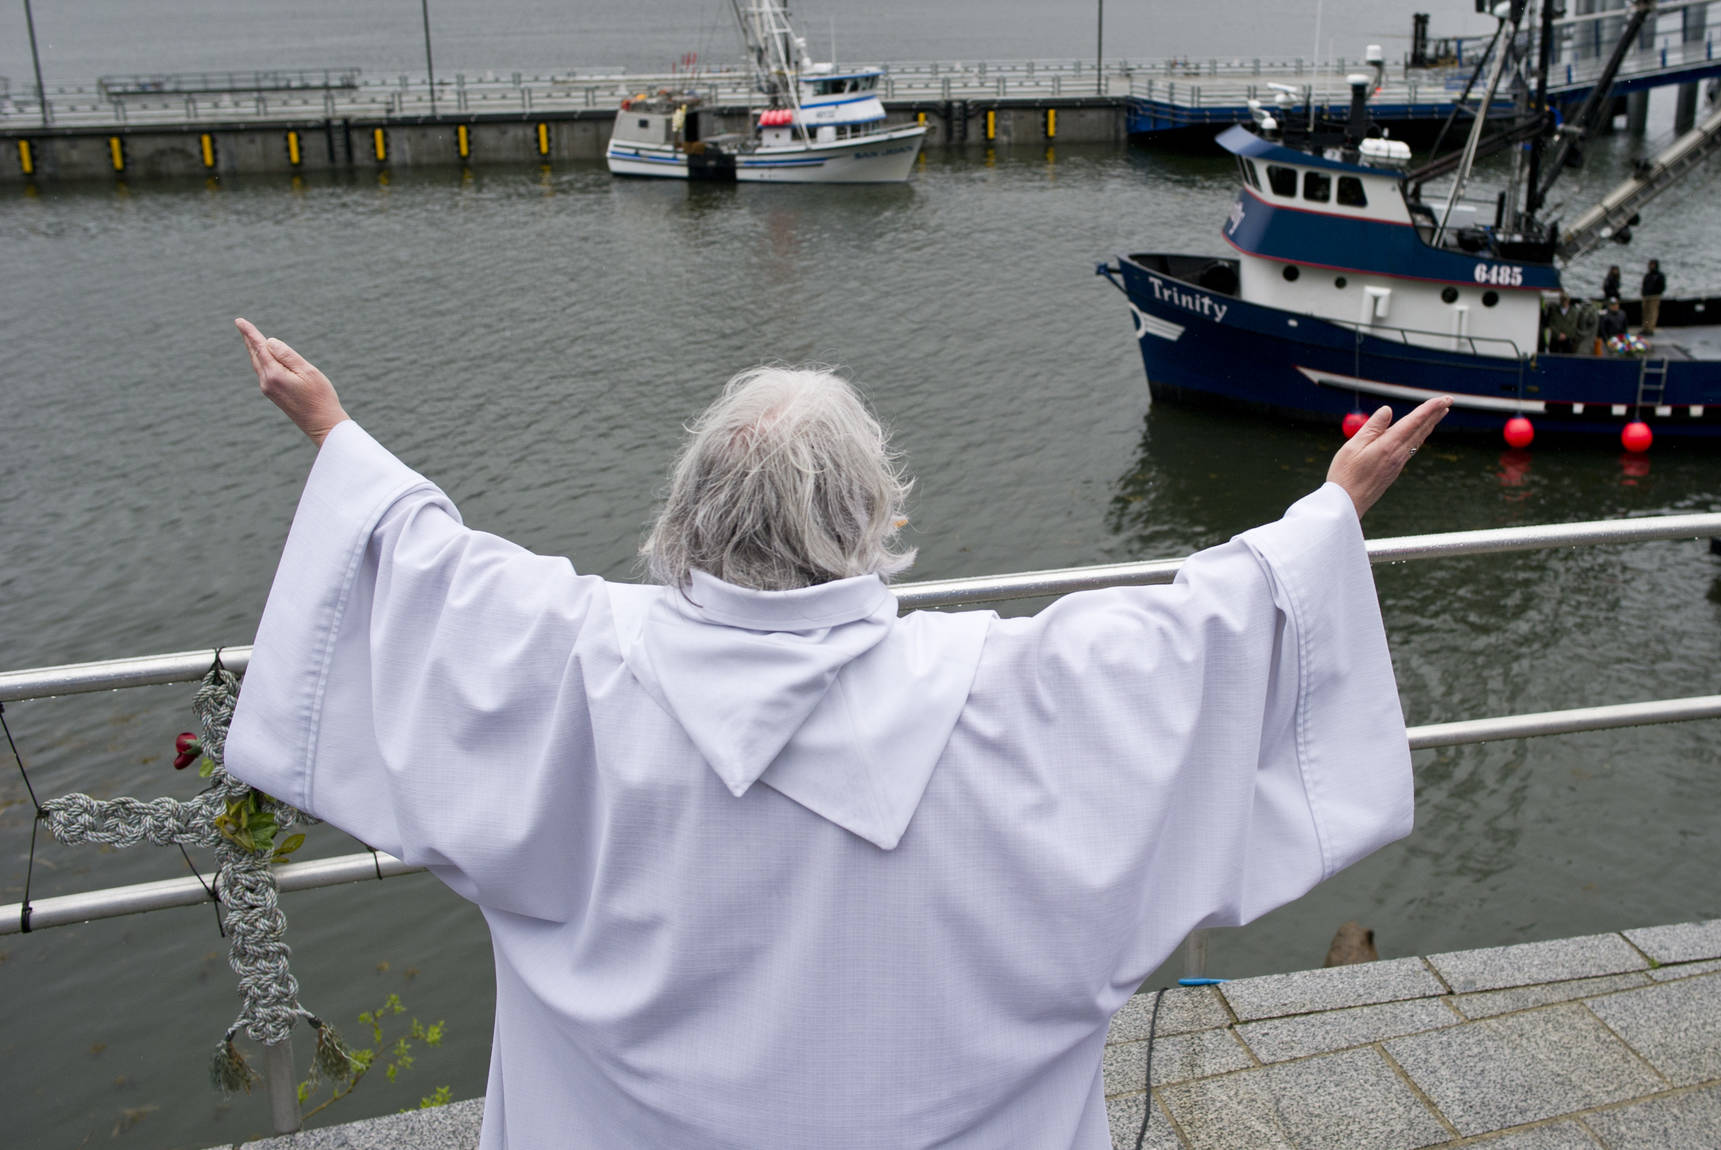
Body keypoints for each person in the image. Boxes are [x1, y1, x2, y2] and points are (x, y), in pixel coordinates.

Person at [223, 319, 1447, 1150]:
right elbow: (1210, 635)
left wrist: (335, 432)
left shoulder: (575, 665)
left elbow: (432, 574)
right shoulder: (1019, 690)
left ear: (684, 519)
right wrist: (1328, 510)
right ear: (879, 516)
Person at [1640, 259, 1666, 335]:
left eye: (1653, 265)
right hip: (1646, 296)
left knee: (1652, 313)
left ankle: (1650, 329)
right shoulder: (1648, 275)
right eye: (1650, 265)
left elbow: (1662, 286)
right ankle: (1645, 328)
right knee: (1645, 313)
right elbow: (1644, 285)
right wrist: (1644, 293)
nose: (1651, 266)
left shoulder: (1660, 275)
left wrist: (1656, 292)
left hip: (1654, 297)